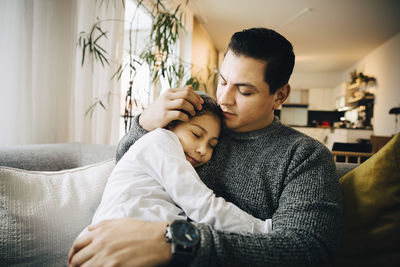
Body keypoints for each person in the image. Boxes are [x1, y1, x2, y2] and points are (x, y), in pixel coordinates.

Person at [68, 27, 343, 267]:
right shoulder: (200, 118)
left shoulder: (303, 155)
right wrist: (145, 124)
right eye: (223, 81)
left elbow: (310, 252)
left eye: (244, 91)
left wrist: (179, 242)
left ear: (280, 95)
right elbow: (129, 167)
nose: (224, 98)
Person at [78, 94, 272, 238]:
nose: (203, 149)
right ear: (171, 124)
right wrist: (263, 229)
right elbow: (202, 204)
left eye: (212, 145)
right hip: (115, 237)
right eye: (196, 135)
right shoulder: (161, 141)